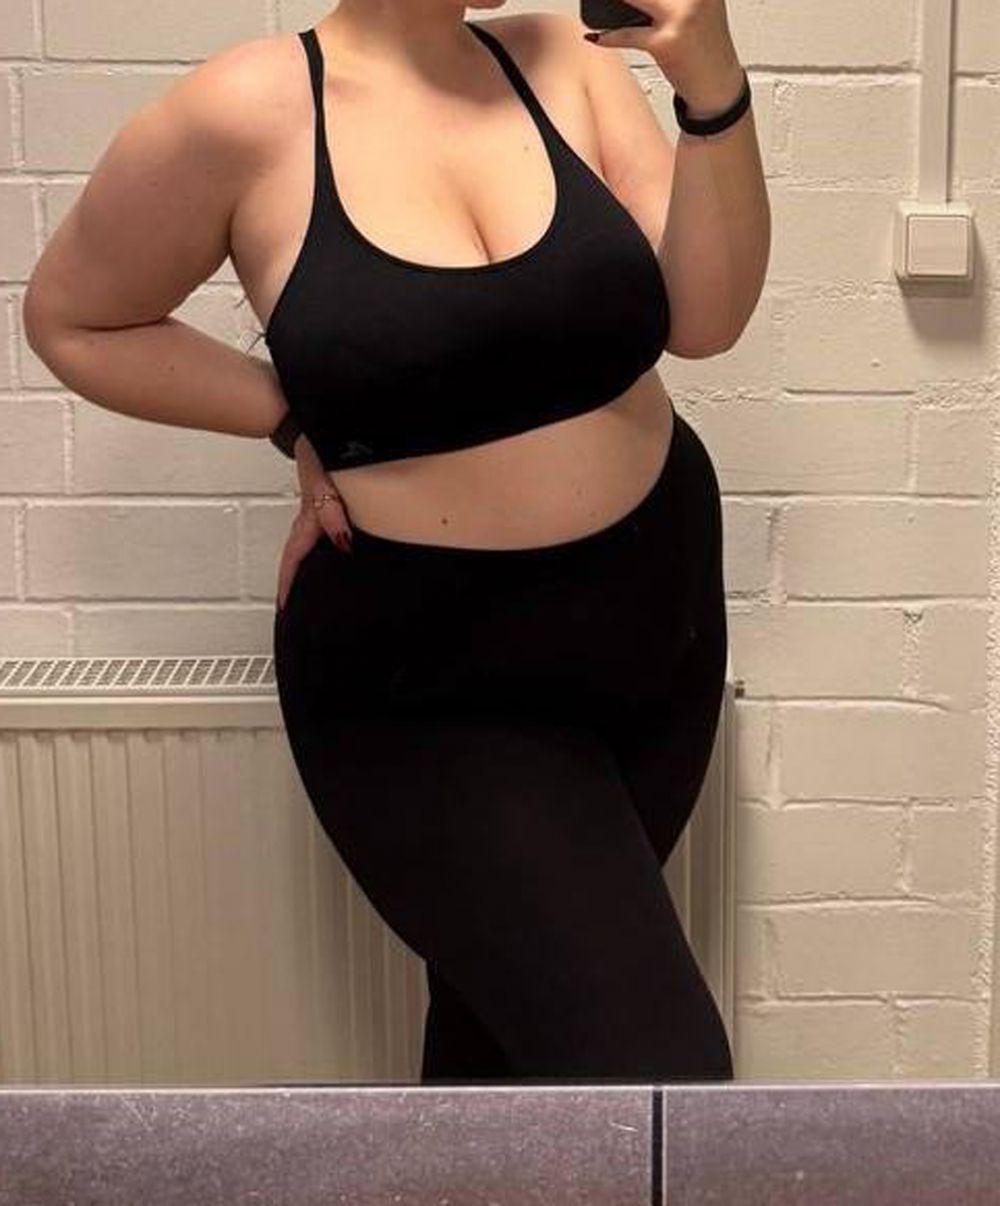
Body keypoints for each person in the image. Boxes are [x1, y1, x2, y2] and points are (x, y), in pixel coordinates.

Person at [24, 0, 769, 1084]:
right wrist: (290, 418)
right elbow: (73, 318)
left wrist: (712, 87)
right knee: (658, 1068)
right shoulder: (248, 110)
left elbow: (705, 321)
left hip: (654, 625)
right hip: (430, 679)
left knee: (504, 1045)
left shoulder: (563, 59)